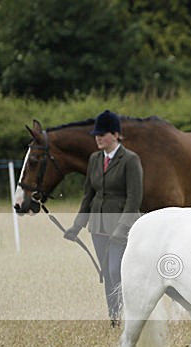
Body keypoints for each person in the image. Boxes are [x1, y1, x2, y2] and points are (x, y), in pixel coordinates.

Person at [64, 110, 143, 325]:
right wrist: (77, 226)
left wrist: (122, 226)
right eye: (96, 134)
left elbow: (134, 198)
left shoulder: (130, 160)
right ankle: (114, 319)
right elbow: (88, 195)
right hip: (98, 226)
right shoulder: (94, 159)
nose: (98, 138)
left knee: (115, 270)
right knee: (106, 275)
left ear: (116, 135)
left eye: (103, 134)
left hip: (121, 228)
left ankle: (131, 315)